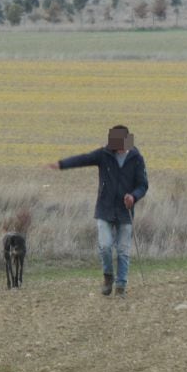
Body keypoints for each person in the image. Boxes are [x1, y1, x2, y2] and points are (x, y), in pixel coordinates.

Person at [46, 125, 148, 298]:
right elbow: (83, 159)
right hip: (104, 208)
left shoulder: (136, 158)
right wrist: (61, 164)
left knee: (123, 250)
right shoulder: (104, 154)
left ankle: (121, 286)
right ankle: (108, 276)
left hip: (125, 211)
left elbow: (143, 185)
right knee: (105, 246)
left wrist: (134, 196)